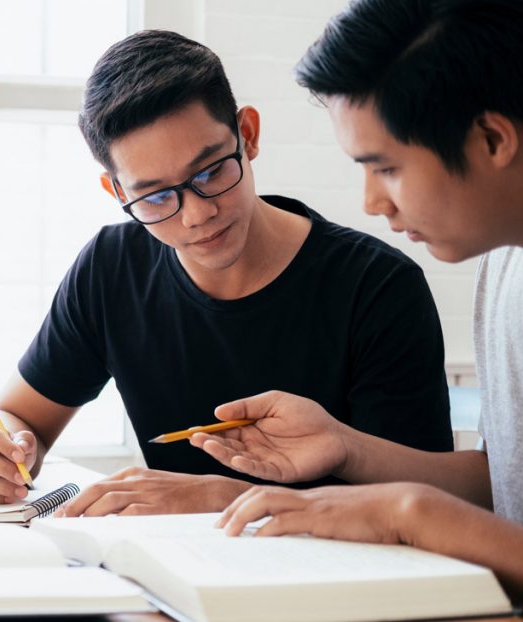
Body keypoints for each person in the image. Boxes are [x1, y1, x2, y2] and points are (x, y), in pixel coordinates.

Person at [0, 30, 453, 516]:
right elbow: (24, 420)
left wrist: (227, 499)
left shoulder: (378, 287)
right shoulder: (110, 269)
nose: (195, 215)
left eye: (211, 172)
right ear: (117, 193)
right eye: (153, 198)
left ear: (248, 136)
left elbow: (428, 505)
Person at [190, 0, 523, 600]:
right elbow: (507, 484)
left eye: (386, 167)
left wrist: (409, 514)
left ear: (493, 138)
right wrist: (344, 448)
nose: (372, 202)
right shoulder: (504, 259)